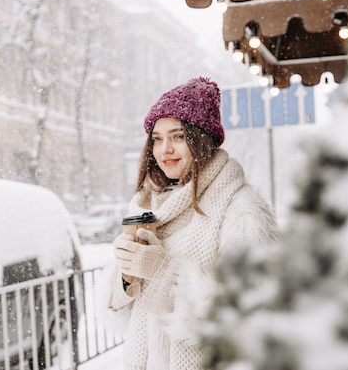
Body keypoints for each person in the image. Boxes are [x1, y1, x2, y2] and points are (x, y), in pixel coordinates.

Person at [102, 77, 278, 370]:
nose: (164, 149)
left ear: (201, 139)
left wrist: (161, 271)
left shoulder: (242, 211)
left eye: (178, 136)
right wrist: (126, 276)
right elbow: (123, 312)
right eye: (156, 139)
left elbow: (251, 320)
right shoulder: (148, 205)